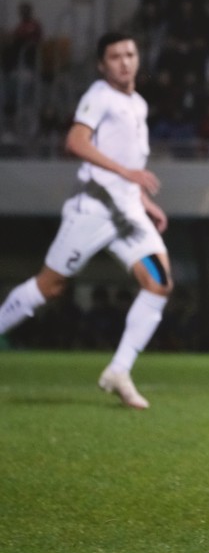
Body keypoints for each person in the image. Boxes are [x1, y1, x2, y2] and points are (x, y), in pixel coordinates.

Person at [0, 32, 171, 409]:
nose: (124, 61)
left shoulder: (137, 104)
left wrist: (143, 199)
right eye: (115, 56)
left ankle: (119, 371)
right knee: (50, 287)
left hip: (125, 211)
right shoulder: (99, 95)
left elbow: (129, 162)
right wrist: (128, 174)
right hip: (93, 210)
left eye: (129, 53)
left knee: (158, 282)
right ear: (101, 64)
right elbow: (75, 142)